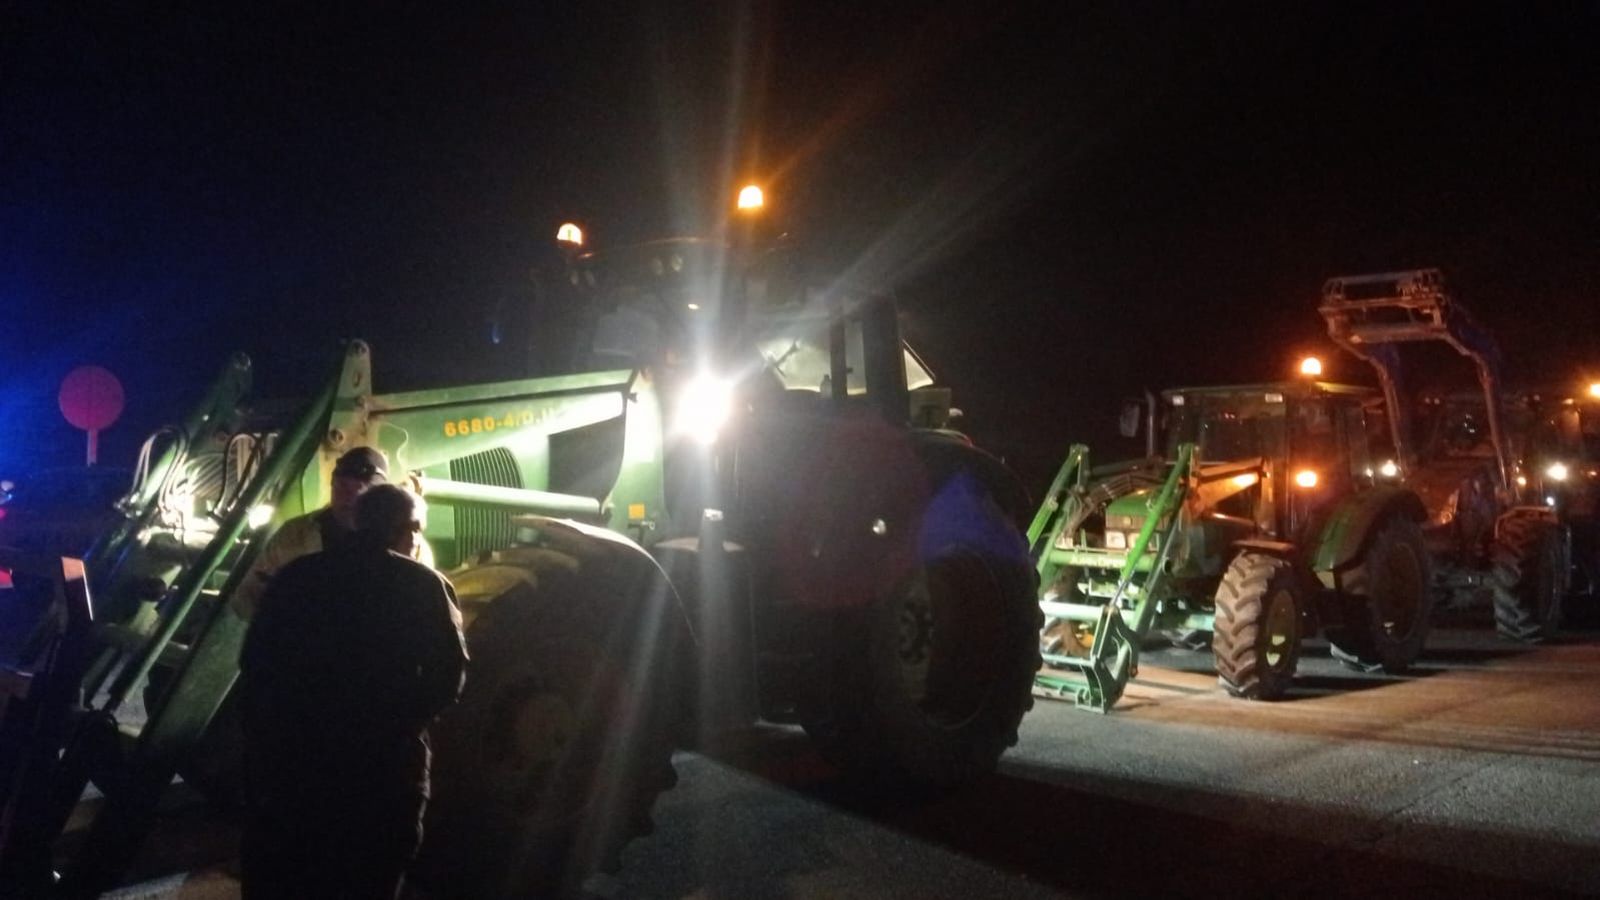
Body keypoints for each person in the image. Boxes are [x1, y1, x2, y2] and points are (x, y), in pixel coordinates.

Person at [238, 484, 467, 900]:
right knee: (370, 873)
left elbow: (256, 662)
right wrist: (402, 723)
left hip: (299, 762)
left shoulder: (297, 576)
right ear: (409, 529)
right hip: (383, 768)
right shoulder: (424, 586)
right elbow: (449, 674)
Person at [232, 445, 399, 619]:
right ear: (332, 485)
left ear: (380, 497)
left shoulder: (401, 541)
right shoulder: (293, 534)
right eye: (342, 486)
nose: (351, 498)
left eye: (362, 490)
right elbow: (246, 597)